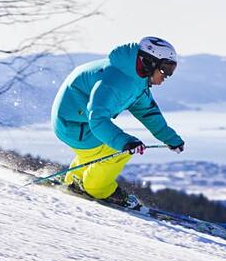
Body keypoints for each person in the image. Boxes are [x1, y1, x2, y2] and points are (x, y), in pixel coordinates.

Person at [50, 36, 185, 207]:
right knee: (116, 152)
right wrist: (125, 142)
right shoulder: (116, 81)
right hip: (73, 124)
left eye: (171, 69)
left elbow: (148, 112)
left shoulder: (136, 80)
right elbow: (97, 119)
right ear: (149, 62)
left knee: (96, 152)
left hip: (77, 120)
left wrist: (170, 138)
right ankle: (96, 189)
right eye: (165, 69)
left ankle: (74, 179)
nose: (167, 76)